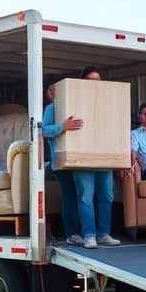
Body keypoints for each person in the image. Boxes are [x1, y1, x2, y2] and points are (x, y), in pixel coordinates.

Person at [73, 66, 120, 249]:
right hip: (82, 157)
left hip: (104, 157)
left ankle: (103, 234)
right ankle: (89, 235)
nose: (95, 84)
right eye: (91, 80)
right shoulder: (75, 100)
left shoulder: (107, 103)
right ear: (83, 82)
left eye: (98, 81)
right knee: (86, 197)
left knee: (107, 197)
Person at [43, 81, 83, 245]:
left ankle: (82, 232)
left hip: (77, 159)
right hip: (60, 160)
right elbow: (44, 130)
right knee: (70, 195)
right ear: (49, 92)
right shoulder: (52, 108)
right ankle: (72, 233)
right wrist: (62, 127)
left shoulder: (72, 106)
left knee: (81, 195)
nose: (56, 92)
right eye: (53, 89)